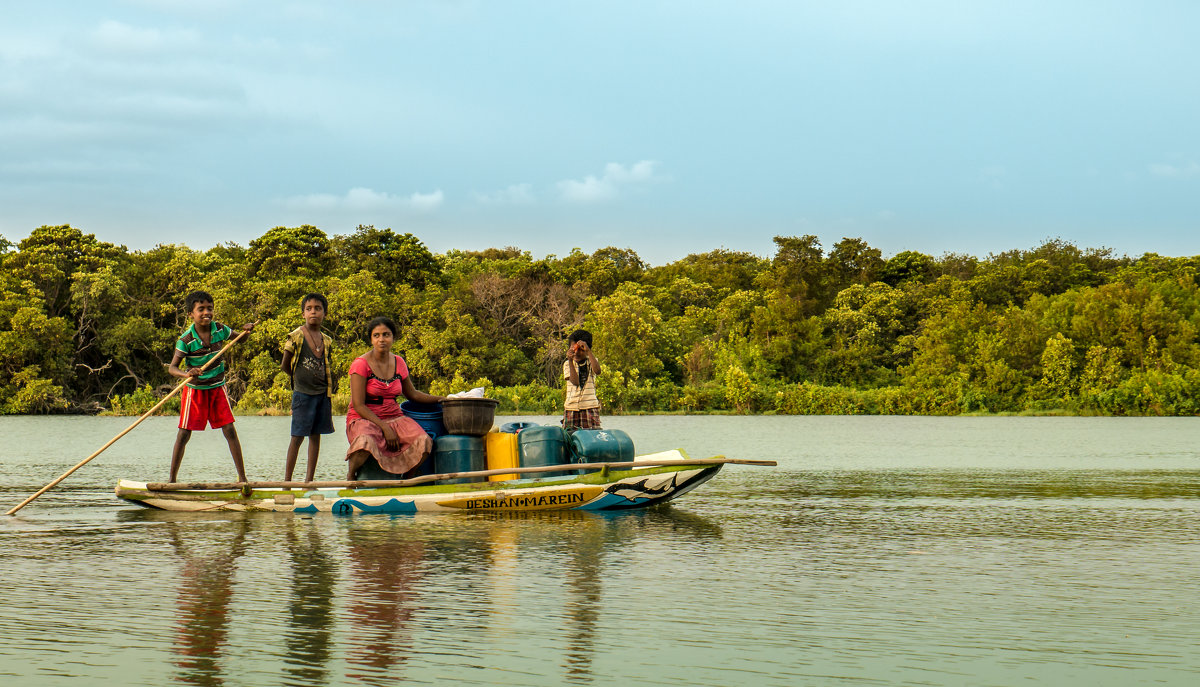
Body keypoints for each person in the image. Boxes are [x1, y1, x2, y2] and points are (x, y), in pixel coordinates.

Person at [344, 316, 447, 480]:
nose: (381, 339)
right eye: (376, 335)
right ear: (371, 339)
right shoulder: (361, 364)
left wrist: (441, 399)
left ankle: (407, 479)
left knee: (424, 441)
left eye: (386, 334)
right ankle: (351, 476)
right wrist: (385, 427)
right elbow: (358, 405)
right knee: (365, 442)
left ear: (393, 338)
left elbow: (412, 394)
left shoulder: (399, 362)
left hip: (394, 415)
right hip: (364, 417)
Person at [168, 290, 254, 483]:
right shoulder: (186, 340)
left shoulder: (220, 329)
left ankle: (243, 479)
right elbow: (173, 368)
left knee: (230, 430)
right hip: (195, 391)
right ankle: (172, 481)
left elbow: (240, 339)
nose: (206, 312)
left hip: (217, 388)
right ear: (191, 314)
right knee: (183, 434)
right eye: (201, 309)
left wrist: (246, 331)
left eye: (209, 308)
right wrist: (187, 373)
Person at [280, 293, 335, 483]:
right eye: (309, 308)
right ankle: (287, 482)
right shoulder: (296, 336)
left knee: (315, 435)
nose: (313, 312)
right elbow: (285, 365)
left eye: (318, 308)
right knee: (297, 437)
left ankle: (308, 481)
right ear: (303, 313)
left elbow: (326, 364)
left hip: (322, 394)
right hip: (303, 394)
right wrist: (299, 381)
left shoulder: (326, 340)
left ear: (324, 313)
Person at [562, 328, 602, 430]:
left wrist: (588, 351)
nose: (577, 353)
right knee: (569, 435)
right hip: (571, 407)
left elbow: (597, 371)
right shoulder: (567, 364)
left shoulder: (592, 361)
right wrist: (570, 361)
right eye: (574, 349)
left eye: (581, 349)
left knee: (592, 434)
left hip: (590, 406)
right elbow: (575, 382)